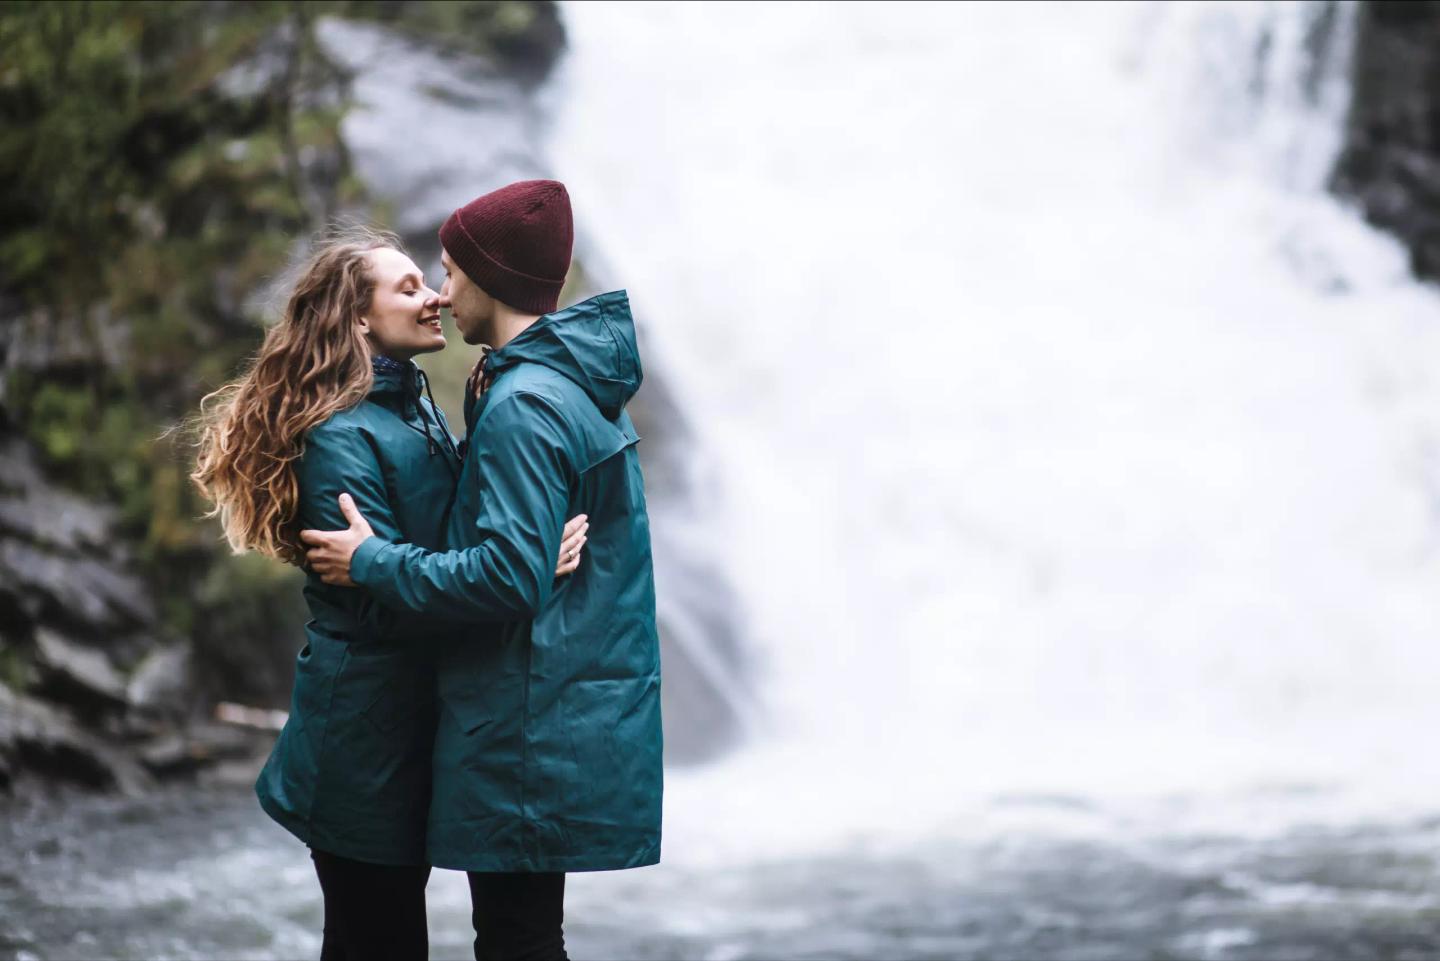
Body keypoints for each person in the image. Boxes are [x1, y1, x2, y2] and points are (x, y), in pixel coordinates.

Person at [190, 225, 589, 961]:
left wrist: (526, 547)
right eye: (408, 287)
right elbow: (377, 600)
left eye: (427, 281)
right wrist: (519, 571)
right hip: (361, 745)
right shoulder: (340, 435)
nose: (435, 295)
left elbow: (450, 521)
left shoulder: (414, 406)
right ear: (358, 319)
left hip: (415, 731)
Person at [301, 180, 663, 961]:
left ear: (491, 276)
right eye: (420, 279)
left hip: (530, 722)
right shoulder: (541, 384)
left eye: (452, 269)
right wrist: (525, 554)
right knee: (517, 936)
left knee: (519, 940)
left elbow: (506, 573)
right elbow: (508, 554)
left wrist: (375, 558)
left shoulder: (523, 399)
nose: (441, 290)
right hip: (536, 712)